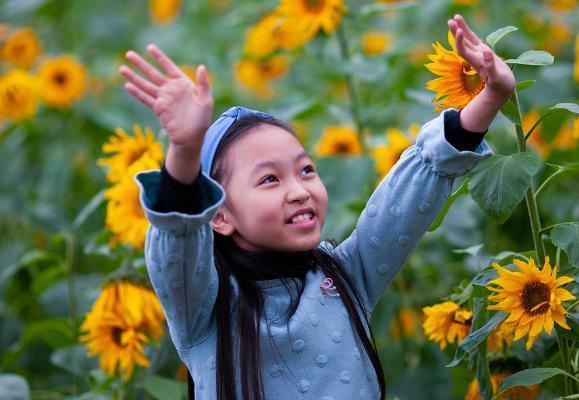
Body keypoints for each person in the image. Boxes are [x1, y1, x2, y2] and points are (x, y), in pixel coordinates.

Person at [121, 14, 515, 400]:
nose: (298, 190)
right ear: (219, 215)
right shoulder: (206, 306)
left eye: (306, 170)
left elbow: (407, 195)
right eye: (269, 179)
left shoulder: (345, 275)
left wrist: (491, 95)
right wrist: (186, 150)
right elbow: (178, 243)